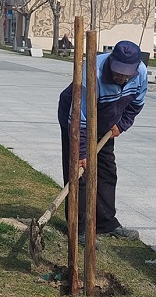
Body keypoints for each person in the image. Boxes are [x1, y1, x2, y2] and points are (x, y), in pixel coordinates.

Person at [57, 40, 148, 243]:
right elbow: (77, 119)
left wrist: (122, 124)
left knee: (107, 172)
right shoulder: (91, 74)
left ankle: (105, 223)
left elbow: (136, 103)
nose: (121, 77)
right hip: (76, 122)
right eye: (118, 71)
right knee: (79, 174)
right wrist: (81, 154)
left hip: (107, 123)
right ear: (111, 61)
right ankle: (78, 227)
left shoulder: (141, 73)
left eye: (127, 73)